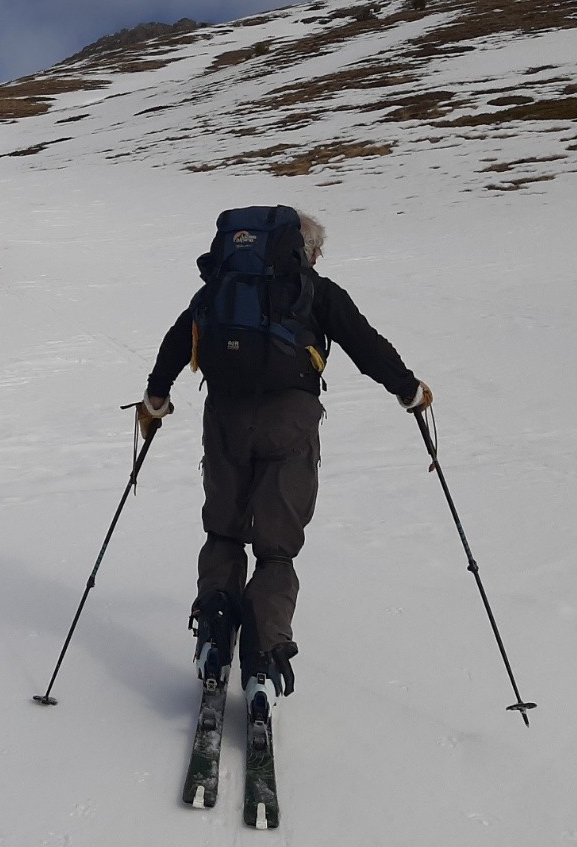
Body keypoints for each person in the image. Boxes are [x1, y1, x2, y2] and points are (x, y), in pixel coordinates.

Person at [137, 206, 431, 719]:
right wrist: (410, 392)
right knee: (276, 549)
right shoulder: (316, 292)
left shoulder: (220, 289)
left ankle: (214, 633)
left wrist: (155, 400)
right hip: (290, 423)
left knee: (224, 533)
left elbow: (175, 343)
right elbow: (368, 347)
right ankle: (265, 660)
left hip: (225, 418)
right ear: (305, 250)